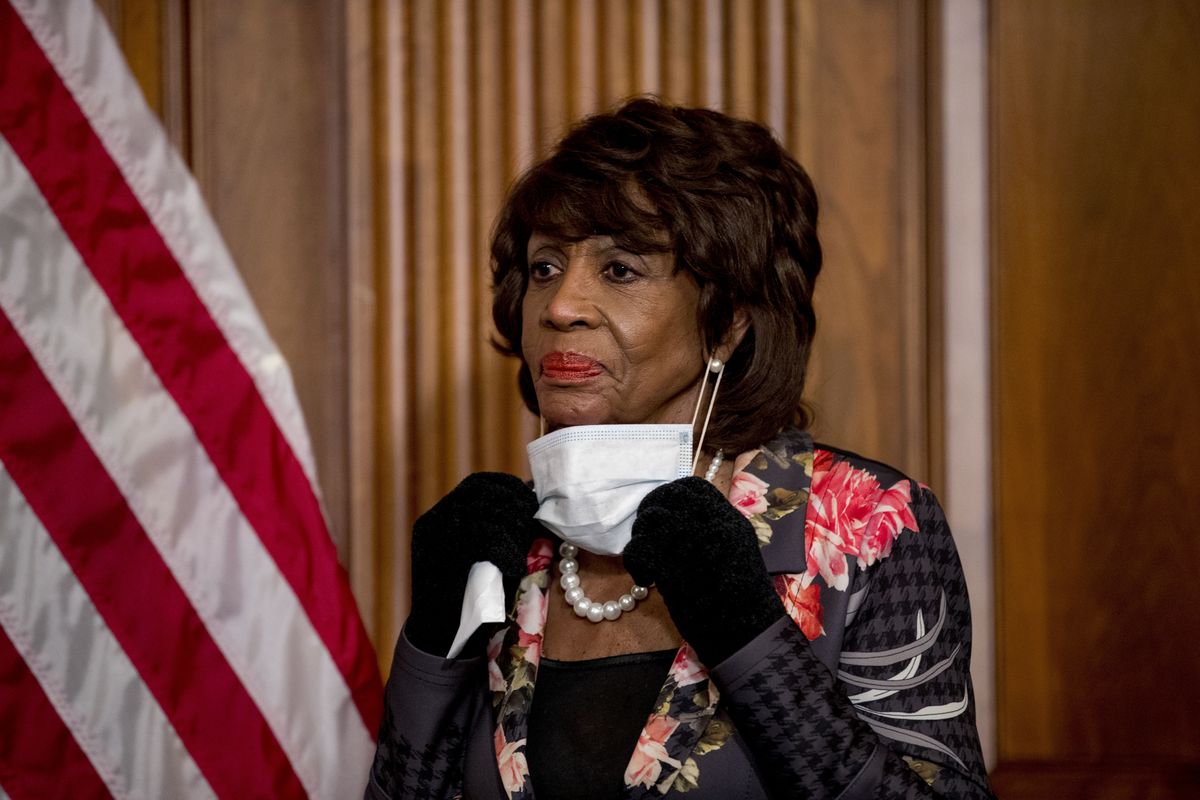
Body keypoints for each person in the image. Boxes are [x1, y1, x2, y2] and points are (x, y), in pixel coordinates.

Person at [365, 97, 995, 799]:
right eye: (544, 267)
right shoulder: (515, 553)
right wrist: (430, 650)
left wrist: (747, 636)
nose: (559, 305)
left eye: (620, 269)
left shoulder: (868, 525)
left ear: (724, 322)